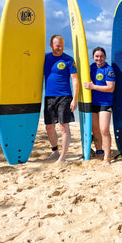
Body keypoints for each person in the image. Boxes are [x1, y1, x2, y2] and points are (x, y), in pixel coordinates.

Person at [44, 34, 78, 162]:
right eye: (57, 45)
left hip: (64, 97)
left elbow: (75, 80)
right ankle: (55, 151)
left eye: (62, 45)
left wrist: (75, 99)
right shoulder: (45, 58)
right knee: (49, 127)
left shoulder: (69, 60)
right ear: (51, 45)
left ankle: (63, 157)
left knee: (64, 127)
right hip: (49, 97)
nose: (60, 48)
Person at [84, 47, 115, 166]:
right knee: (95, 130)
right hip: (92, 103)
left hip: (105, 104)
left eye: (101, 56)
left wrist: (93, 87)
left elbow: (110, 88)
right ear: (93, 57)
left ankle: (106, 157)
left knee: (104, 130)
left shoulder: (109, 70)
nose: (99, 59)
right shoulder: (91, 68)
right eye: (97, 56)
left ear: (105, 57)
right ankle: (99, 151)